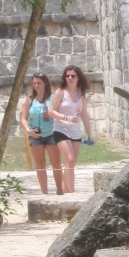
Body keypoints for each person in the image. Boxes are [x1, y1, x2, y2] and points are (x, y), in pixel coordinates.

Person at [49, 65, 95, 193]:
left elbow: (84, 114)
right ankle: (72, 193)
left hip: (75, 131)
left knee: (71, 163)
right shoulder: (60, 92)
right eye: (67, 75)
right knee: (69, 159)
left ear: (78, 78)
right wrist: (66, 117)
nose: (69, 78)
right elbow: (51, 111)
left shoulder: (81, 94)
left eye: (73, 76)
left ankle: (65, 191)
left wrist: (90, 135)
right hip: (60, 129)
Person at [20, 73, 64, 195]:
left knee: (55, 162)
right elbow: (23, 118)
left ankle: (59, 189)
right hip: (35, 135)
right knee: (40, 164)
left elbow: (60, 113)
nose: (36, 85)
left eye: (39, 83)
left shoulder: (53, 98)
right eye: (34, 83)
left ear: (45, 83)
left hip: (51, 133)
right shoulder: (29, 100)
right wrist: (28, 130)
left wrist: (52, 115)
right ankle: (44, 192)